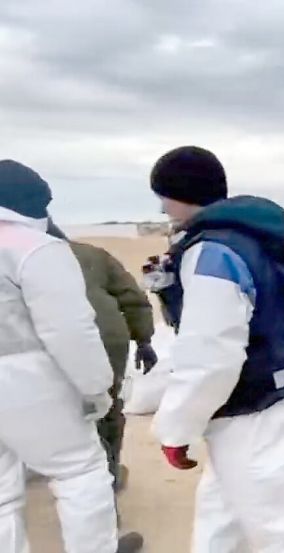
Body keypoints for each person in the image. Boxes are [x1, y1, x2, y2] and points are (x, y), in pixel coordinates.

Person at [145, 146, 284, 552]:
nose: (161, 206)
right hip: (279, 387)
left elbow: (211, 356)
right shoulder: (251, 237)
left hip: (251, 405)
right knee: (223, 509)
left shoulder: (210, 251)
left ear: (178, 194)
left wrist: (176, 429)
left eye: (162, 195)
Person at [0, 160, 143, 552]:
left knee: (2, 496)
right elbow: (69, 329)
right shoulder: (35, 248)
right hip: (28, 383)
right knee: (80, 472)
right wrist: (96, 388)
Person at [47, 222, 158, 492]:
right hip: (104, 338)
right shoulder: (92, 254)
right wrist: (143, 340)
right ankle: (108, 474)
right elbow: (131, 297)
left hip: (39, 344)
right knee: (105, 409)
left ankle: (74, 477)